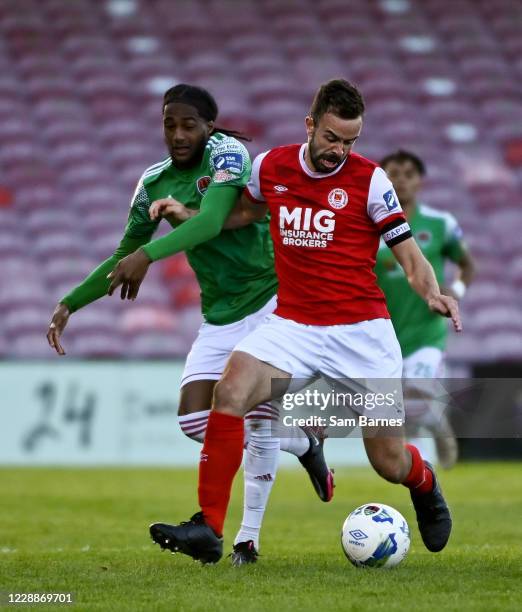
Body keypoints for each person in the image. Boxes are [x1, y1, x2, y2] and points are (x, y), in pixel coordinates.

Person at [137, 79, 462, 564]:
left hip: (362, 334)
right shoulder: (272, 165)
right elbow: (244, 212)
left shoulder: (370, 181)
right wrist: (190, 214)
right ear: (311, 125)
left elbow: (411, 256)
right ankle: (209, 526)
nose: (340, 151)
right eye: (332, 138)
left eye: (351, 142)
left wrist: (433, 292)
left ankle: (425, 483)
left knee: (388, 461)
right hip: (294, 325)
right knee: (231, 390)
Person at [46, 84, 334, 566]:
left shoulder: (228, 155)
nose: (178, 134)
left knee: (253, 414)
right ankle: (303, 441)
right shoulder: (152, 182)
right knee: (194, 420)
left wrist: (150, 253)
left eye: (188, 124)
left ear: (208, 126)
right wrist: (71, 302)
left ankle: (245, 540)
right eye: (169, 124)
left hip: (271, 300)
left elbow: (212, 220)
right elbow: (123, 254)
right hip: (219, 313)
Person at [376, 150, 475, 468]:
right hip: (382, 333)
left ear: (420, 181)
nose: (401, 179)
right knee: (392, 414)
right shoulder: (366, 225)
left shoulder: (440, 223)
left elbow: (466, 263)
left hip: (425, 334)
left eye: (409, 173)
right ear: (382, 179)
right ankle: (432, 425)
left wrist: (454, 291)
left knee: (414, 399)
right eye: (393, 173)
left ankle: (430, 430)